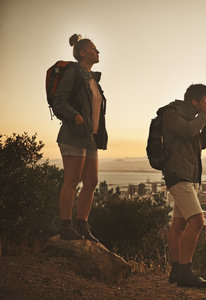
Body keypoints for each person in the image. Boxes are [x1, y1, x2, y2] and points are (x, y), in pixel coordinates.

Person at [52, 34, 108, 242]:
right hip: (73, 135)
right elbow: (59, 102)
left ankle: (81, 224)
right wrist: (74, 116)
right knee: (72, 180)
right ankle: (66, 226)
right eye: (94, 48)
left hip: (90, 137)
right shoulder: (73, 73)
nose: (98, 51)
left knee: (91, 182)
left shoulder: (93, 79)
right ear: (82, 52)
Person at [162, 84, 206, 288]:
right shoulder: (172, 114)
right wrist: (202, 117)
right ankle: (186, 270)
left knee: (179, 225)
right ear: (195, 101)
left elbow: (201, 143)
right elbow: (186, 132)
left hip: (189, 175)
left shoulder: (194, 118)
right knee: (197, 221)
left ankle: (176, 270)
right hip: (178, 174)